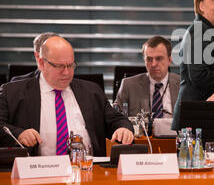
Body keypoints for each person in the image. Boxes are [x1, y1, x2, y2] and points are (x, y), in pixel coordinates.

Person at [0, 36, 134, 156]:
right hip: (38, 171)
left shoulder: (91, 91)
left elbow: (116, 120)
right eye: (59, 66)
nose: (67, 73)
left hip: (87, 171)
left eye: (71, 65)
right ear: (41, 63)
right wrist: (18, 134)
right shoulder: (13, 92)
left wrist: (123, 129)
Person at [171, 0, 214, 130]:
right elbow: (198, 74)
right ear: (201, 5)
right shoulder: (199, 31)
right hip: (195, 115)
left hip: (204, 113)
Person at [115, 36, 180, 117]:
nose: (153, 64)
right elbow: (116, 119)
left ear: (169, 60)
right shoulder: (128, 86)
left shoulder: (182, 85)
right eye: (149, 59)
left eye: (159, 58)